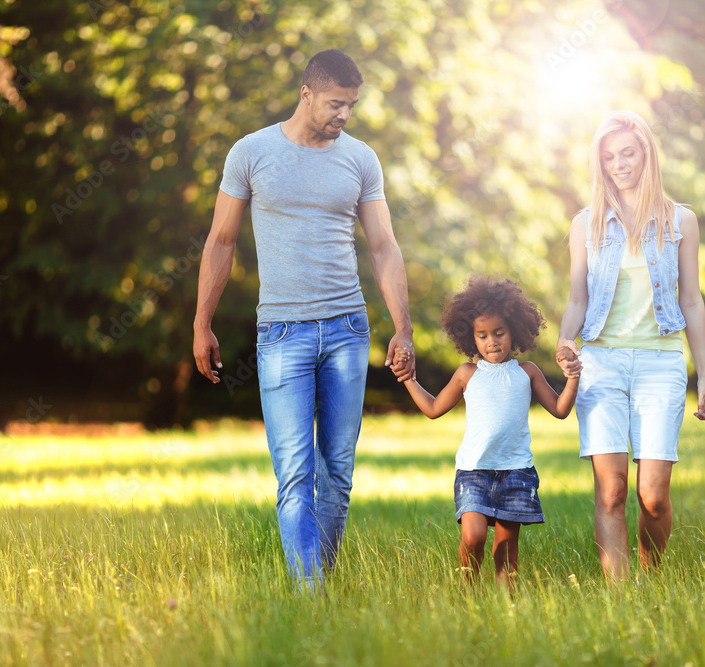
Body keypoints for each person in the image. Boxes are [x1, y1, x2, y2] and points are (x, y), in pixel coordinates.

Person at [192, 49, 416, 590]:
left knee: (336, 473)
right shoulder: (251, 152)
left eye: (352, 106)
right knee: (295, 473)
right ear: (307, 93)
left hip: (347, 330)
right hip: (282, 334)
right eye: (336, 104)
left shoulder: (360, 159)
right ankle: (311, 594)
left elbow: (384, 246)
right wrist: (202, 322)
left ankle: (318, 579)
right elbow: (221, 240)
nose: (345, 115)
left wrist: (402, 325)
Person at [556, 110, 705, 581]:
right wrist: (566, 341)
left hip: (660, 363)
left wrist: (704, 376)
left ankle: (651, 577)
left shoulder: (681, 220)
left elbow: (692, 298)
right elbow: (576, 298)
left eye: (628, 153)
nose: (620, 164)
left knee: (653, 495)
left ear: (646, 153)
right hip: (600, 362)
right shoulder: (585, 225)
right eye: (609, 157)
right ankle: (621, 601)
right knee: (611, 492)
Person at [392, 275, 579, 590]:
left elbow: (560, 410)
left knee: (506, 550)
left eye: (499, 332)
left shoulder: (527, 372)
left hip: (516, 472)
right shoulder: (468, 373)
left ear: (515, 330)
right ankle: (467, 591)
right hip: (474, 471)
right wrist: (408, 379)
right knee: (473, 536)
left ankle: (507, 605)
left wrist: (573, 377)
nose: (492, 341)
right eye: (482, 335)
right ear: (471, 338)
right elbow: (434, 408)